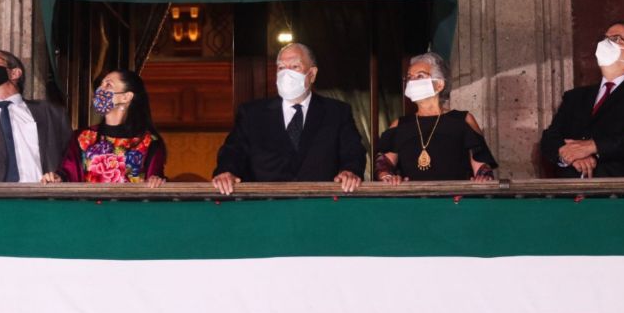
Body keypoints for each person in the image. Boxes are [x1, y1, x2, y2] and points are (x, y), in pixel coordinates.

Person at [212, 43, 366, 194]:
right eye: (281, 68)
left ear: (312, 74)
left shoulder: (337, 112)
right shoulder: (252, 114)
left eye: (294, 67)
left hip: (319, 207)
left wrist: (350, 171)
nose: (286, 73)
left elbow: (353, 151)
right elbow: (233, 151)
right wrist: (226, 171)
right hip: (266, 208)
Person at [540, 21, 624, 178]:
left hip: (619, 188)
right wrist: (569, 156)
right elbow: (550, 137)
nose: (605, 43)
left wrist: (593, 147)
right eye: (604, 38)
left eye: (615, 39)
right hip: (570, 189)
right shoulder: (575, 96)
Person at [375, 53, 497, 183]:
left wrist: (484, 177)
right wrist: (386, 176)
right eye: (410, 78)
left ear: (439, 85)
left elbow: (482, 167)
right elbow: (384, 164)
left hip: (455, 199)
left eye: (420, 76)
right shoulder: (400, 125)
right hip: (412, 200)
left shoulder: (462, 120)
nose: (412, 82)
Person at [0, 49, 71, 182]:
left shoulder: (52, 112)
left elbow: (71, 160)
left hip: (43, 197)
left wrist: (61, 178)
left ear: (15, 73)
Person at [41, 70, 166, 187]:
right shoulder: (83, 137)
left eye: (108, 85)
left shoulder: (149, 142)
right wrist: (58, 178)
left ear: (126, 97)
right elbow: (68, 173)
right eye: (101, 85)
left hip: (130, 209)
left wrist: (157, 180)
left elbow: (154, 179)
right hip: (89, 209)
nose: (100, 89)